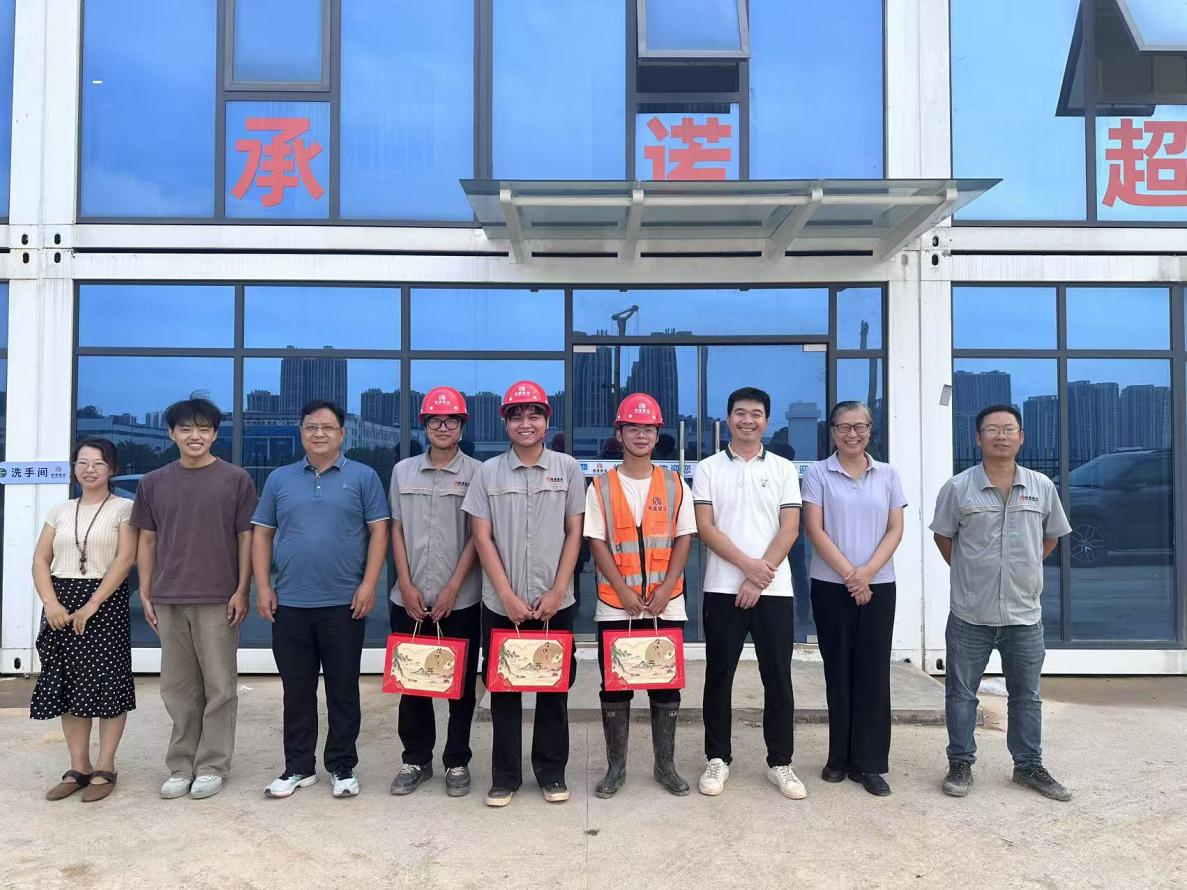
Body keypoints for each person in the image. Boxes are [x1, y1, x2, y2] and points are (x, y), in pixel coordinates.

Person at [931, 404, 1073, 801]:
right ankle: (960, 763)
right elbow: (944, 537)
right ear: (978, 439)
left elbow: (1051, 536)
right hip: (970, 613)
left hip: (1024, 614)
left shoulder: (1041, 486)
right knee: (961, 694)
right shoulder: (958, 488)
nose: (1001, 436)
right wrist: (972, 572)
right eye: (992, 429)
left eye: (1009, 429)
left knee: (1026, 696)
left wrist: (1022, 569)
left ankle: (1028, 766)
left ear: (1021, 437)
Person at [252, 400, 390, 799]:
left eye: (328, 427)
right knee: (296, 691)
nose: (319, 433)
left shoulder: (363, 477)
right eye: (311, 426)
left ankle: (342, 766)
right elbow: (262, 533)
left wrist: (369, 585)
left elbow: (379, 532)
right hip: (290, 603)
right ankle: (298, 766)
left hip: (344, 603)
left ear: (342, 434)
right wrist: (263, 586)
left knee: (343, 690)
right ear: (301, 432)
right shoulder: (280, 479)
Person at [462, 380, 585, 808]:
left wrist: (557, 591)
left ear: (547, 421)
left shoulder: (568, 469)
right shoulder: (488, 472)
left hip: (555, 601)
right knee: (504, 690)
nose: (526, 423)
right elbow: (482, 538)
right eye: (517, 416)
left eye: (534, 415)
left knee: (553, 689)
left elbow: (574, 533)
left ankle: (551, 772)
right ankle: (506, 776)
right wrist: (507, 596)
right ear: (506, 423)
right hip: (503, 603)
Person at [132, 398, 257, 800]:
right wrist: (146, 591)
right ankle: (181, 764)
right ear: (172, 434)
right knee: (177, 686)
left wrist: (242, 589)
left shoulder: (236, 479)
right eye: (186, 429)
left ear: (215, 434)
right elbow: (146, 540)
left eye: (203, 429)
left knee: (220, 685)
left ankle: (213, 765)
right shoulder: (153, 482)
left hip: (218, 595)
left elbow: (246, 537)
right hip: (169, 595)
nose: (195, 436)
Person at [692, 386, 805, 800]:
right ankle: (717, 757)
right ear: (728, 419)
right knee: (719, 675)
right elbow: (705, 527)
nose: (747, 420)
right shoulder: (708, 468)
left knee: (778, 676)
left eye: (756, 414)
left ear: (767, 421)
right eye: (740, 413)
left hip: (773, 589)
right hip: (723, 587)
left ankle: (781, 762)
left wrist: (759, 577)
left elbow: (790, 528)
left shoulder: (783, 469)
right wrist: (747, 567)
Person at [585, 394, 695, 798]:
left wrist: (666, 589)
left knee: (665, 685)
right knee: (616, 685)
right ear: (619, 433)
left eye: (648, 428)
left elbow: (685, 538)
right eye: (633, 427)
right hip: (616, 606)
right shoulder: (601, 486)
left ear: (658, 434)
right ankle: (616, 767)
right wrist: (622, 590)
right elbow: (596, 542)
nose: (641, 434)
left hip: (667, 602)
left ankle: (665, 766)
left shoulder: (674, 484)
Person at [802, 401, 906, 797]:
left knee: (873, 674)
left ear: (870, 430)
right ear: (832, 431)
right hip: (831, 587)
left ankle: (870, 763)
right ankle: (838, 758)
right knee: (839, 671)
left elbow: (895, 529)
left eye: (859, 426)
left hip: (879, 585)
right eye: (844, 427)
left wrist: (866, 574)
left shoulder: (888, 474)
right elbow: (815, 529)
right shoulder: (818, 474)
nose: (852, 434)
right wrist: (851, 575)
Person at [387, 387, 482, 798]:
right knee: (413, 683)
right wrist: (405, 583)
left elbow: (477, 537)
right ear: (424, 425)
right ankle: (415, 760)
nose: (443, 427)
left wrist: (453, 588)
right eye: (435, 421)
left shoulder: (478, 473)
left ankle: (457, 760)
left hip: (460, 600)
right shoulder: (402, 472)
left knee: (459, 686)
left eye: (451, 420)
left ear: (462, 426)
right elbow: (395, 529)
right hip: (407, 598)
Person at [30, 438, 137, 802]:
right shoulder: (59, 511)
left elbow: (125, 559)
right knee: (68, 684)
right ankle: (79, 767)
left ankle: (105, 767)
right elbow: (40, 560)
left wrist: (93, 603)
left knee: (108, 684)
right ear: (73, 468)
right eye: (82, 463)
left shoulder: (124, 508)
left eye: (99, 463)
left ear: (113, 469)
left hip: (104, 602)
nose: (90, 470)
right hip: (60, 602)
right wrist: (50, 603)